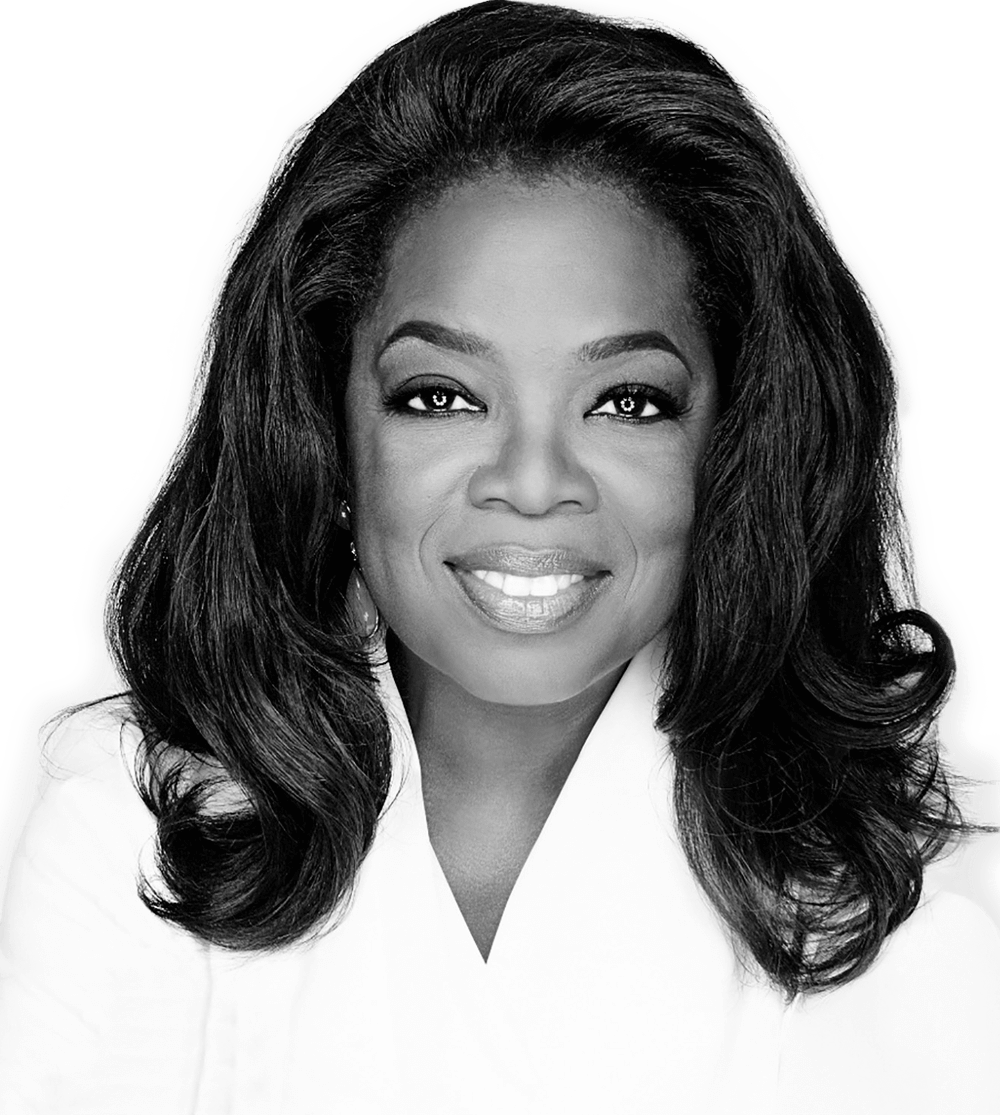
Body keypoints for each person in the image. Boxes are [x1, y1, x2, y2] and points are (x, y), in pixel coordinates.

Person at [1, 1, 997, 1112]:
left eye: (628, 400)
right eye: (441, 395)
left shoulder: (902, 920)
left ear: (738, 445)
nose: (531, 479)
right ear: (325, 429)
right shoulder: (132, 846)